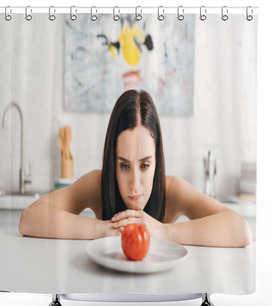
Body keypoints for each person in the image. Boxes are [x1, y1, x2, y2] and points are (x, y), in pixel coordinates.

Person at [19, 89, 252, 247]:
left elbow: (240, 230)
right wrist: (104, 229)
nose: (135, 183)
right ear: (112, 161)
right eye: (123, 165)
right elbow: (29, 219)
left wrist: (163, 231)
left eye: (145, 165)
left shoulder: (172, 189)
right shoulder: (97, 184)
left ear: (157, 160)